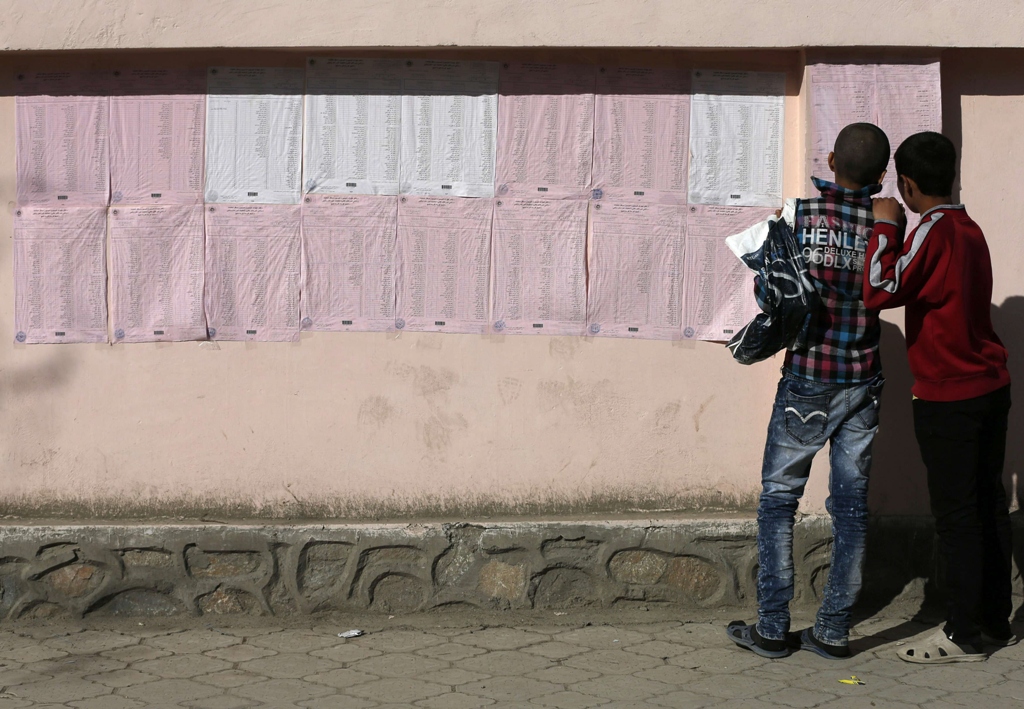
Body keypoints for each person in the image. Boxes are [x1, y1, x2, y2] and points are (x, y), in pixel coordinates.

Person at [727, 123, 890, 660]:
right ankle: (834, 629)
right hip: (862, 379)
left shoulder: (798, 215)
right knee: (851, 507)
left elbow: (771, 289)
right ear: (883, 174)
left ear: (830, 159)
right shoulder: (885, 223)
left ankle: (773, 628)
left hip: (808, 377)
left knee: (779, 501)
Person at [864, 131, 1013, 663]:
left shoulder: (933, 231)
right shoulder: (969, 227)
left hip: (950, 396)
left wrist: (885, 224)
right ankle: (994, 621)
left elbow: (880, 288)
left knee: (958, 516)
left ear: (905, 184)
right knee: (988, 505)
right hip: (989, 388)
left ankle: (963, 633)